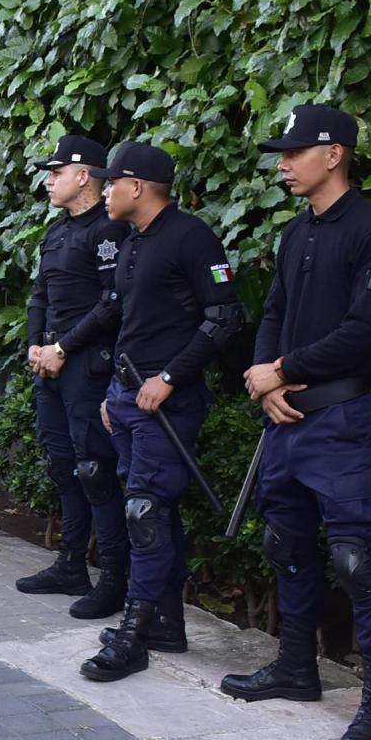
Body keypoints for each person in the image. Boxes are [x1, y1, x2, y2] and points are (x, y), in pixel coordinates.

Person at [223, 104, 371, 740]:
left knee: (357, 559)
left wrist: (281, 370)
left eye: (296, 151)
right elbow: (274, 312)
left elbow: (363, 331)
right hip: (286, 422)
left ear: (335, 154)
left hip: (339, 420)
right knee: (286, 542)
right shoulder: (295, 234)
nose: (284, 163)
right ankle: (296, 668)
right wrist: (264, 375)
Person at [74, 141, 243, 683]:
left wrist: (169, 378)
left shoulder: (191, 237)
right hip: (128, 399)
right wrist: (115, 394)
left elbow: (225, 318)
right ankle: (165, 622)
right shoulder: (131, 242)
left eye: (112, 182)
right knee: (154, 511)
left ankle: (135, 631)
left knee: (144, 514)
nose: (104, 191)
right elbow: (132, 323)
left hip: (168, 404)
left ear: (138, 187)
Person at [16, 135, 132, 617]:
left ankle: (115, 578)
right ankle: (70, 565)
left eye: (57, 171)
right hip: (51, 364)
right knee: (63, 465)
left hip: (87, 366)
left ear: (84, 175)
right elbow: (40, 295)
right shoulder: (58, 232)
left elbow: (113, 302)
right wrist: (35, 345)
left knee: (95, 469)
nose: (49, 179)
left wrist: (63, 348)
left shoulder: (109, 231)